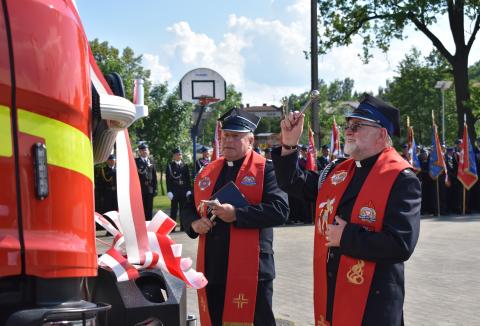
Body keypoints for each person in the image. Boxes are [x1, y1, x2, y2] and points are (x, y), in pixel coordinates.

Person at [272, 94, 421, 325]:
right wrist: (289, 144)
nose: (348, 131)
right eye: (348, 125)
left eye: (358, 126)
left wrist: (346, 236)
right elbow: (293, 182)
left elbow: (401, 245)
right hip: (333, 293)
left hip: (373, 303)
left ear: (382, 134)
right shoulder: (337, 171)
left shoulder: (401, 178)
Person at [181, 107, 289, 326]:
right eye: (226, 135)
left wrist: (237, 214)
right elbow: (188, 207)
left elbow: (280, 210)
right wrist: (193, 223)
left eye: (236, 136)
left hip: (253, 270)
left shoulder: (266, 170)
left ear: (250, 140)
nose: (228, 141)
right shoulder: (208, 171)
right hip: (214, 267)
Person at [166, 147, 191, 230]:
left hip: (183, 190)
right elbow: (168, 180)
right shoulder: (170, 166)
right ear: (173, 156)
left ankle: (183, 227)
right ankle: (172, 228)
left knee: (183, 209)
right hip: (174, 191)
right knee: (174, 210)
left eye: (180, 154)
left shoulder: (185, 165)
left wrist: (188, 190)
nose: (179, 156)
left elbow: (187, 179)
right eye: (177, 154)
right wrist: (169, 191)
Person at [135, 143, 157, 220]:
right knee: (142, 208)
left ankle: (149, 224)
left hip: (150, 188)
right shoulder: (136, 161)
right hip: (141, 188)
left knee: (149, 208)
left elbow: (154, 176)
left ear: (148, 151)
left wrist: (155, 188)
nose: (144, 152)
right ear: (139, 152)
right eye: (142, 150)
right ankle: (142, 225)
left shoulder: (151, 160)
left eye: (146, 150)